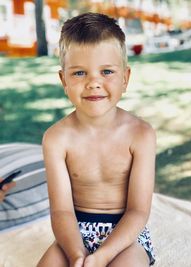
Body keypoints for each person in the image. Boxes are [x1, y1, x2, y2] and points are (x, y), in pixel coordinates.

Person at [37, 12, 156, 267]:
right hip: (74, 232)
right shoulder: (56, 138)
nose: (93, 83)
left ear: (125, 78)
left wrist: (102, 256)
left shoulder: (141, 135)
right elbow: (61, 211)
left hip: (126, 237)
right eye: (79, 73)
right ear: (63, 80)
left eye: (106, 71)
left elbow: (138, 211)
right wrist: (77, 255)